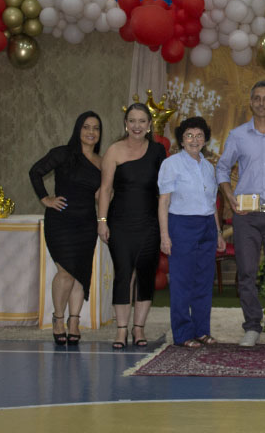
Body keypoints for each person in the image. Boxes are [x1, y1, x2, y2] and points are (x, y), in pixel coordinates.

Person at [216, 80, 265, 347]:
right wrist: (229, 195)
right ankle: (251, 326)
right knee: (246, 273)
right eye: (257, 98)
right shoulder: (238, 135)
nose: (262, 103)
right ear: (251, 102)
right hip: (246, 215)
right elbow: (222, 168)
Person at [29, 111, 103, 345]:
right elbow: (35, 172)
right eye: (86, 127)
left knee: (80, 274)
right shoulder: (62, 153)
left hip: (86, 223)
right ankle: (58, 319)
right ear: (78, 129)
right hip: (61, 221)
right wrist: (45, 199)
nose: (91, 132)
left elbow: (102, 195)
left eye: (96, 128)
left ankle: (74, 322)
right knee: (66, 272)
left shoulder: (102, 162)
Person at [97, 103, 166, 349]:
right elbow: (105, 190)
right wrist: (102, 221)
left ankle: (139, 328)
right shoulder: (113, 150)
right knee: (123, 274)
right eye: (132, 121)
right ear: (125, 124)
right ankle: (121, 330)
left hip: (150, 223)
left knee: (146, 274)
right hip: (120, 223)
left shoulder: (158, 151)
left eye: (142, 121)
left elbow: (164, 190)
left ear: (149, 125)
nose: (137, 126)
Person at [158, 117, 226, 348]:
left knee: (204, 282)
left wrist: (218, 232)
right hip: (181, 225)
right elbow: (164, 202)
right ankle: (183, 333)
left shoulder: (208, 167)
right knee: (182, 282)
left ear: (205, 140)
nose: (194, 140)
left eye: (199, 136)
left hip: (207, 226)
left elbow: (212, 203)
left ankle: (202, 331)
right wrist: (164, 235)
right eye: (189, 135)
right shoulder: (171, 164)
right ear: (181, 140)